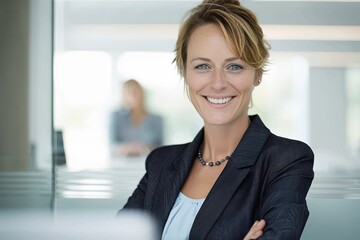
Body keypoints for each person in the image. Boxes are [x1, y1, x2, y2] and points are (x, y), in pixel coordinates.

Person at [122, 1, 314, 239]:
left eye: (234, 66)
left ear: (257, 73)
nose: (218, 83)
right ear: (185, 73)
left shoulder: (285, 161)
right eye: (202, 66)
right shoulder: (160, 163)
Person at [110, 79, 163, 156]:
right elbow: (112, 146)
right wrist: (127, 148)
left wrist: (144, 148)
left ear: (142, 94)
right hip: (121, 163)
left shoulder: (157, 119)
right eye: (127, 93)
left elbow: (162, 148)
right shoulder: (116, 117)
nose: (131, 96)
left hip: (149, 161)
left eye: (134, 92)